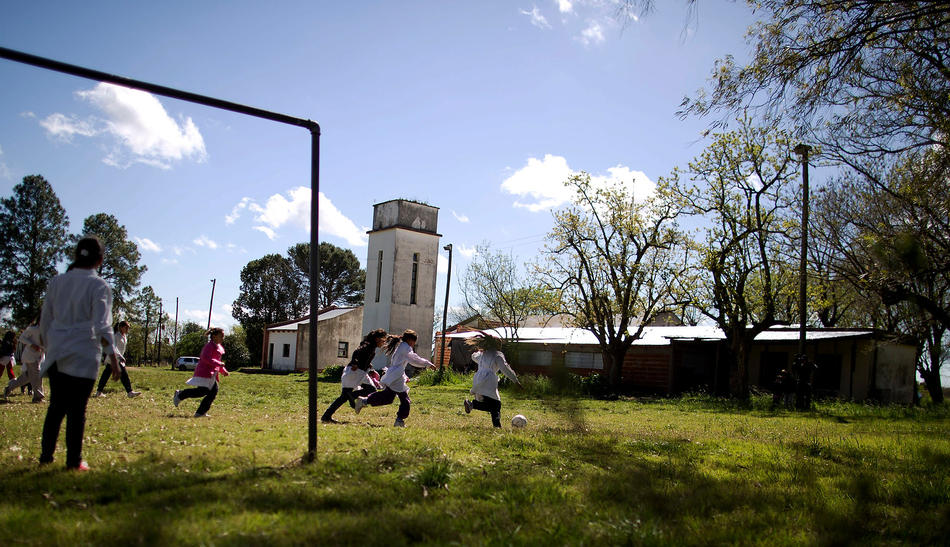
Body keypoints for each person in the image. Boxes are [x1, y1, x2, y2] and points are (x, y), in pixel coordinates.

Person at [38, 236, 120, 471]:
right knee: (77, 411)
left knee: (56, 407)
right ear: (100, 260)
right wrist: (112, 358)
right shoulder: (98, 286)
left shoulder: (57, 282)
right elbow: (102, 326)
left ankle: (46, 456)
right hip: (84, 354)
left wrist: (47, 344)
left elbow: (46, 318)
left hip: (58, 353)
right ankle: (73, 461)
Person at [354, 329, 436, 427]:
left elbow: (405, 362)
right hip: (396, 377)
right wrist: (428, 363)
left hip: (395, 375)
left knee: (388, 398)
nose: (413, 344)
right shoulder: (406, 348)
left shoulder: (402, 346)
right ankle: (399, 421)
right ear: (411, 341)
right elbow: (414, 359)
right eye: (414, 342)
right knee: (405, 400)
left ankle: (364, 401)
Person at [321, 328, 388, 424]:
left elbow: (362, 355)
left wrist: (368, 363)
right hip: (355, 371)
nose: (383, 343)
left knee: (344, 397)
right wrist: (355, 363)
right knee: (371, 390)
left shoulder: (370, 345)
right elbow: (357, 352)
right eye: (383, 340)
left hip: (357, 372)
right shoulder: (368, 345)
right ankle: (351, 396)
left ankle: (326, 417)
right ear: (377, 339)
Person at [463, 333, 520, 428]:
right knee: (496, 405)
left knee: (490, 405)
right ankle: (496, 425)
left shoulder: (483, 354)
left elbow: (474, 356)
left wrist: (478, 351)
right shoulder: (498, 355)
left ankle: (472, 405)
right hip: (488, 381)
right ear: (497, 345)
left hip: (478, 380)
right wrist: (515, 380)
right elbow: (505, 369)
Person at [173, 327, 228, 418]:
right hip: (205, 373)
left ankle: (200, 412)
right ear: (214, 336)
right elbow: (206, 358)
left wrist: (223, 371)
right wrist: (219, 364)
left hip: (212, 374)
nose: (223, 338)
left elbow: (217, 362)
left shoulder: (218, 347)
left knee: (210, 392)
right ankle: (181, 395)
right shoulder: (209, 346)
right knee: (204, 391)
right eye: (221, 336)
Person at [3, 315, 45, 402]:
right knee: (37, 375)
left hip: (39, 357)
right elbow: (22, 338)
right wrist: (32, 345)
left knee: (26, 378)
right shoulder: (32, 329)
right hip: (30, 356)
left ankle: (9, 387)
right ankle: (38, 397)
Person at [94, 320, 140, 398]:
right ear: (121, 328)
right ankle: (130, 392)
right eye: (126, 327)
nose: (127, 329)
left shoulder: (125, 337)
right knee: (123, 374)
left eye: (128, 328)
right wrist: (120, 356)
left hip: (117, 359)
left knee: (107, 374)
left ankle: (99, 392)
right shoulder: (116, 336)